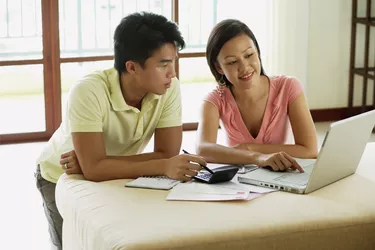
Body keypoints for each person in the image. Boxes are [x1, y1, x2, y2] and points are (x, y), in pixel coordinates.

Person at [35, 12, 205, 249]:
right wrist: (95, 166)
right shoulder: (88, 91)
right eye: (163, 64)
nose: (172, 73)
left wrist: (97, 164)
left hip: (102, 169)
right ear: (132, 67)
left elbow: (167, 153)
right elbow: (98, 169)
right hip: (59, 174)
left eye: (173, 61)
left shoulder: (168, 88)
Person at [195, 19, 318, 172]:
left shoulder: (288, 86)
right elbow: (203, 149)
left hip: (284, 175)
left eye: (249, 55)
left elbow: (310, 150)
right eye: (232, 62)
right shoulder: (214, 100)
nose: (244, 67)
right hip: (241, 181)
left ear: (257, 52)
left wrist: (249, 147)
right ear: (219, 67)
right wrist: (257, 157)